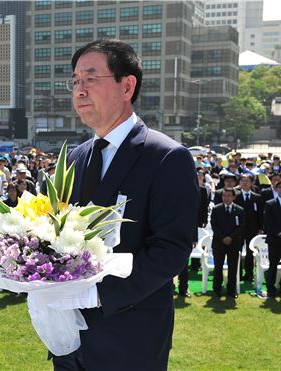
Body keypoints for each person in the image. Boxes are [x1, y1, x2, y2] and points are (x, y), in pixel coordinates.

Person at [55, 39, 198, 371]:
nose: (79, 90)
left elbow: (170, 250)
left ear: (127, 86)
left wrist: (100, 295)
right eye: (75, 81)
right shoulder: (75, 158)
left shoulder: (166, 157)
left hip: (130, 340)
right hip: (68, 338)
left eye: (90, 79)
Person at [210, 188, 245, 298]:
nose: (226, 198)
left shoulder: (239, 210)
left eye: (229, 196)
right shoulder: (216, 209)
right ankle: (217, 289)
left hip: (234, 243)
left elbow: (241, 226)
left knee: (233, 267)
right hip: (219, 242)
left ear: (234, 197)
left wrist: (230, 237)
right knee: (218, 266)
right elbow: (214, 226)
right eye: (224, 195)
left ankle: (231, 290)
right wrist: (223, 237)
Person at [234, 174, 263, 282]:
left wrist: (260, 227)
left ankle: (249, 274)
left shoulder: (257, 197)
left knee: (251, 252)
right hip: (238, 229)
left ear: (251, 183)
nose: (245, 183)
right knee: (238, 251)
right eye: (243, 181)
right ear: (240, 183)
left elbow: (260, 214)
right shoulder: (235, 196)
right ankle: (238, 273)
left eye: (247, 181)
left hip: (253, 229)